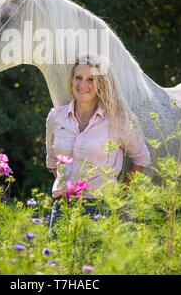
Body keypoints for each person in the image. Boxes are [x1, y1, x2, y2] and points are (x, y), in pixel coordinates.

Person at [45, 54, 151, 236]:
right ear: (72, 80)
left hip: (99, 210)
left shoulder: (117, 120)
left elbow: (141, 158)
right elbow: (52, 161)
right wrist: (66, 187)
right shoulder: (56, 116)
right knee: (56, 263)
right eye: (78, 77)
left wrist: (119, 194)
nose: (82, 84)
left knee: (94, 264)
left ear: (101, 83)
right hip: (62, 208)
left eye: (91, 79)